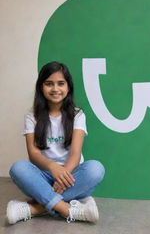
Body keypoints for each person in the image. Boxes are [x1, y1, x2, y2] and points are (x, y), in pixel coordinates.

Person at [6, 62, 105, 224]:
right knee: (18, 168)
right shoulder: (32, 116)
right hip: (43, 176)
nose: (55, 89)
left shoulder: (77, 115)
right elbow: (34, 154)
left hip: (70, 175)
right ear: (41, 87)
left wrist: (63, 175)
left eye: (61, 83)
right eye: (49, 84)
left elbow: (75, 153)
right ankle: (67, 209)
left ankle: (36, 208)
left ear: (68, 87)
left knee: (96, 169)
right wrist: (53, 167)